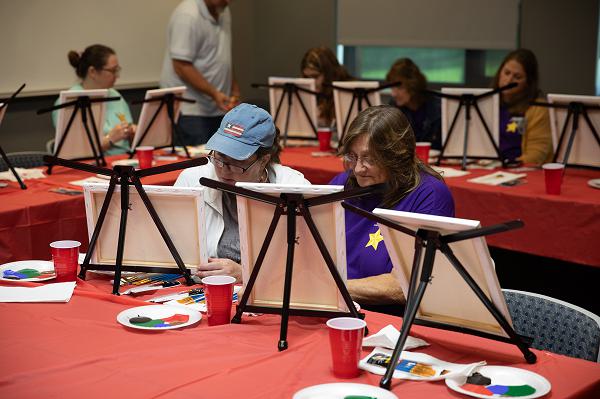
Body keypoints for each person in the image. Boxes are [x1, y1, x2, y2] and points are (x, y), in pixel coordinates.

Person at [330, 105, 454, 313]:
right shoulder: (345, 182)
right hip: (339, 309)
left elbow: (403, 285)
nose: (358, 168)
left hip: (389, 319)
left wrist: (328, 288)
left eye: (370, 158)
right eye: (352, 156)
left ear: (396, 157)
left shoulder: (430, 195)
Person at [175, 103, 309, 282]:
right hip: (203, 291)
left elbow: (308, 267)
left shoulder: (293, 188)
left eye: (236, 162)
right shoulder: (193, 180)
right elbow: (170, 250)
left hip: (268, 292)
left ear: (263, 161)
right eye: (220, 158)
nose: (223, 170)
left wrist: (245, 272)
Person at [160, 0, 240, 146]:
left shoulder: (223, 10)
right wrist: (214, 93)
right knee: (199, 164)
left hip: (218, 106)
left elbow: (223, 56)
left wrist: (233, 87)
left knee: (221, 160)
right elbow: (181, 65)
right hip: (190, 110)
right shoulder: (187, 15)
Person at [52, 44, 135, 155]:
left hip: (124, 160)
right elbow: (74, 150)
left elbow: (128, 133)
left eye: (117, 70)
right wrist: (110, 139)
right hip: (89, 166)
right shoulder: (70, 101)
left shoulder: (115, 95)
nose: (117, 76)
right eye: (113, 71)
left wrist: (133, 132)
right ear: (92, 72)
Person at [492, 49, 553, 166]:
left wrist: (506, 165)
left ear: (528, 82)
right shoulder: (487, 102)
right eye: (506, 73)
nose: (509, 80)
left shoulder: (538, 109)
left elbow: (536, 155)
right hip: (485, 167)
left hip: (518, 169)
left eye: (517, 77)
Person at [386, 58, 442, 150]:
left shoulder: (438, 107)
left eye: (399, 87)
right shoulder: (393, 107)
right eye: (392, 88)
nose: (393, 94)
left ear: (413, 85)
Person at [301, 46, 353, 127]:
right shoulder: (304, 92)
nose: (311, 82)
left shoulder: (348, 91)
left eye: (315, 76)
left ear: (329, 74)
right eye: (307, 77)